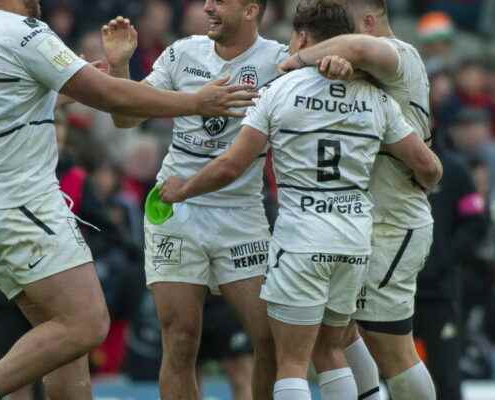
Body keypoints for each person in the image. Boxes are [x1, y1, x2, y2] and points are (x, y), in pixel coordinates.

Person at [0, 0, 258, 398]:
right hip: (22, 204)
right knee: (86, 323)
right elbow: (112, 99)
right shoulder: (22, 32)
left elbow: (11, 104)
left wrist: (73, 86)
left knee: (65, 349)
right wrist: (195, 102)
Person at [159, 1, 442, 399]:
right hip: (356, 232)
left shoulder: (284, 87)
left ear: (305, 38)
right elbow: (428, 164)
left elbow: (231, 165)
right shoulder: (374, 97)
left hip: (316, 234)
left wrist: (183, 189)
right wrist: (427, 180)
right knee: (336, 343)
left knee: (307, 358)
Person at [102, 0, 286, 397]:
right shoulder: (183, 52)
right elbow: (126, 118)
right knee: (181, 341)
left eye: (220, 1)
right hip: (176, 208)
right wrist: (119, 69)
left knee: (270, 339)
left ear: (251, 10)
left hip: (240, 213)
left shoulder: (280, 62)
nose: (208, 7)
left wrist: (336, 63)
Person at [279, 1, 441, 398]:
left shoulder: (399, 53)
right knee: (338, 333)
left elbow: (362, 50)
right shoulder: (364, 77)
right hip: (361, 222)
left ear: (368, 22)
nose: (338, 41)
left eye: (346, 29)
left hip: (394, 221)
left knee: (392, 348)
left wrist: (298, 59)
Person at [416, 147, 488, 400]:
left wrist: (443, 258)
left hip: (440, 293)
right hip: (394, 292)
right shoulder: (387, 167)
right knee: (398, 373)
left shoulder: (454, 170)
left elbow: (476, 221)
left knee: (445, 373)